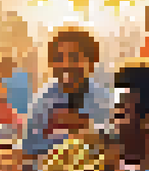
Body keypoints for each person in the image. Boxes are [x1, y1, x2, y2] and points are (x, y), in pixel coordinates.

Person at [23, 24, 113, 161]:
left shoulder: (105, 101)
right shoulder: (43, 100)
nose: (66, 65)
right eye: (59, 59)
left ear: (91, 62)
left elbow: (112, 147)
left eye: (74, 58)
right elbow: (30, 148)